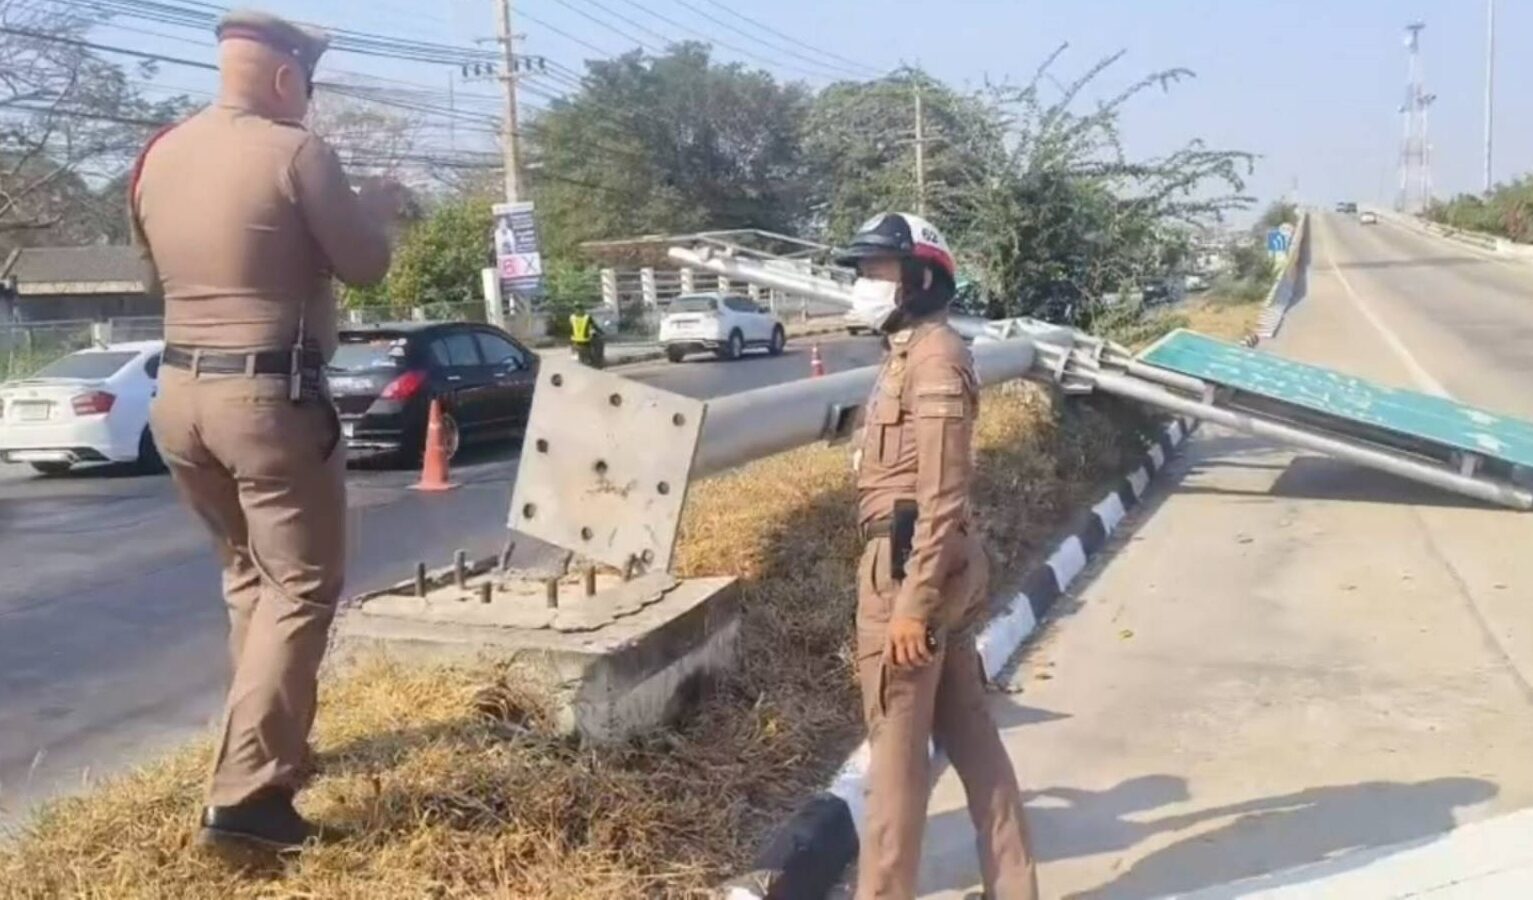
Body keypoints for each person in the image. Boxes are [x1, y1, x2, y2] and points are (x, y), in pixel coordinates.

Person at [130, 8, 400, 854]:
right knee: (302, 589)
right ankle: (246, 800)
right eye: (307, 88)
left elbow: (160, 272)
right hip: (269, 401)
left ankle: (278, 752)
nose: (308, 103)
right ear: (287, 79)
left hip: (177, 401)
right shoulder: (295, 151)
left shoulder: (156, 156)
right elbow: (365, 263)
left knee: (250, 582)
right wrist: (378, 206)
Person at [839, 212, 1038, 899]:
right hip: (926, 563)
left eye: (876, 271)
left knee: (892, 757)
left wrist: (912, 606)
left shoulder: (934, 356)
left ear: (920, 279)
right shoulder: (907, 353)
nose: (864, 283)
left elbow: (942, 490)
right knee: (970, 733)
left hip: (908, 570)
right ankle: (1014, 887)